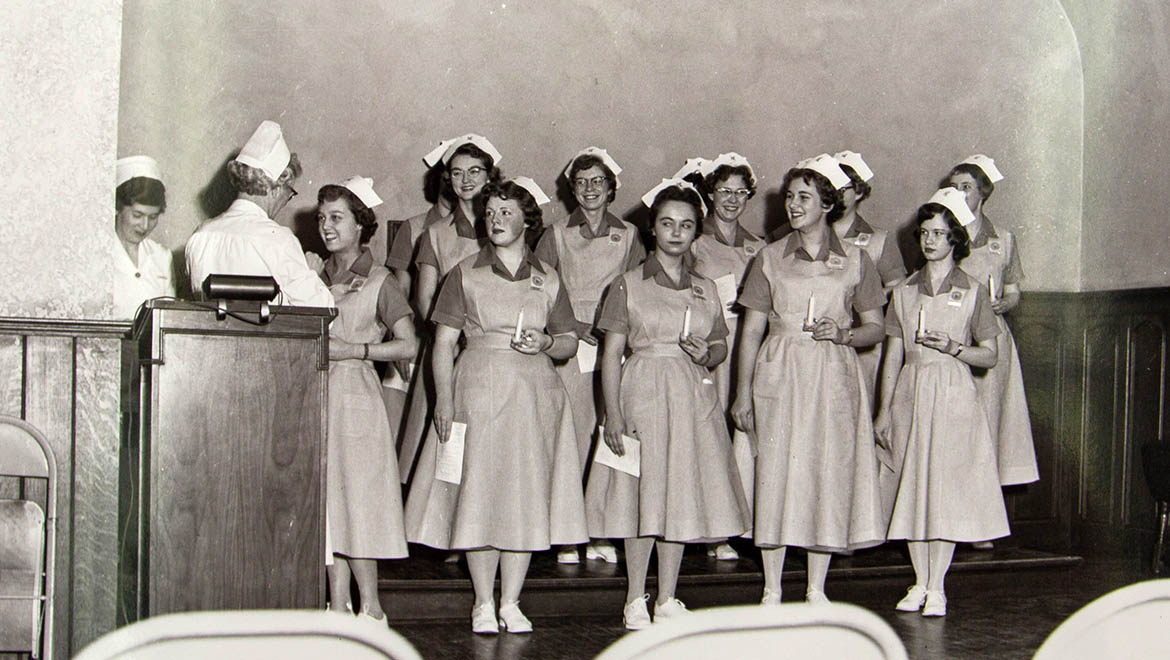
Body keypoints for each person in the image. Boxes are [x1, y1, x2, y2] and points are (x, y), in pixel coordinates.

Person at [405, 178, 587, 634]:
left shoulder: (548, 277)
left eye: (506, 213)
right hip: (477, 390)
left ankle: (511, 601)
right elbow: (444, 344)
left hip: (534, 397)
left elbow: (567, 342)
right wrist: (443, 402)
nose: (496, 220)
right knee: (480, 494)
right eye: (491, 213)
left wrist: (547, 341)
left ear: (528, 220)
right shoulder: (463, 273)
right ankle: (483, 602)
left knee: (524, 496)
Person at [586, 179, 750, 629]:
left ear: (696, 232)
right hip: (644, 391)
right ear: (652, 230)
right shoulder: (627, 284)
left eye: (686, 225)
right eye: (667, 224)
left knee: (678, 495)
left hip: (693, 395)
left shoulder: (706, 288)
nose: (676, 232)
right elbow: (611, 354)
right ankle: (635, 597)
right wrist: (613, 414)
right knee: (643, 496)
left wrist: (709, 354)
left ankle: (668, 597)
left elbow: (720, 344)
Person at [732, 154, 886, 605]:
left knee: (827, 472)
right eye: (790, 197)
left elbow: (875, 326)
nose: (794, 205)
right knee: (776, 472)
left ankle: (816, 588)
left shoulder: (856, 259)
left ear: (827, 204)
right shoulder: (769, 257)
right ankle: (772, 587)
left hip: (834, 375)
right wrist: (742, 393)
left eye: (804, 197)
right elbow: (751, 330)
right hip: (779, 372)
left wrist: (845, 333)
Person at [874, 187, 1010, 617]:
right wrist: (883, 411)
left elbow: (990, 354)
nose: (930, 241)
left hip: (953, 393)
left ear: (955, 239)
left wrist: (954, 348)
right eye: (925, 233)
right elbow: (892, 355)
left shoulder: (971, 290)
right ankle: (918, 582)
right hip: (912, 392)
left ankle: (938, 586)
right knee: (913, 487)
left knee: (944, 490)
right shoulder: (904, 291)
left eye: (939, 233)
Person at [535, 146, 646, 565]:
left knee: (609, 431)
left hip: (614, 343)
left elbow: (639, 290)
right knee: (573, 435)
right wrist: (576, 327)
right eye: (580, 183)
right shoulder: (557, 234)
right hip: (571, 343)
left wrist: (616, 331)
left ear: (611, 187)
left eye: (597, 182)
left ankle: (601, 529)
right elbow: (541, 287)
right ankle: (567, 533)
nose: (589, 190)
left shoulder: (631, 235)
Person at [317, 176, 419, 625]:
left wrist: (354, 350)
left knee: (360, 500)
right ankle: (337, 605)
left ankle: (371, 607)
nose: (326, 226)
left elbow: (408, 345)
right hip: (317, 396)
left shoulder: (380, 280)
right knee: (329, 502)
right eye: (321, 218)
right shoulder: (312, 275)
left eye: (336, 217)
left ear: (361, 225)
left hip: (357, 395)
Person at [397, 134, 502, 485]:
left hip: (493, 350)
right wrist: (450, 339)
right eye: (457, 173)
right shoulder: (436, 233)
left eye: (475, 171)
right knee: (441, 444)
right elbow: (424, 298)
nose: (466, 180)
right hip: (448, 346)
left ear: (490, 175)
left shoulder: (505, 227)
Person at [683, 152, 767, 561]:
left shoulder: (759, 247)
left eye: (741, 192)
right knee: (707, 431)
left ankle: (737, 522)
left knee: (741, 430)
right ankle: (708, 528)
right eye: (724, 191)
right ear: (710, 193)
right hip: (707, 345)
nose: (732, 200)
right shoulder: (695, 240)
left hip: (746, 346)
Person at [942, 156, 1039, 493]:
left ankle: (984, 514)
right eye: (952, 188)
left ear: (982, 192)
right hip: (951, 339)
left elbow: (1014, 292)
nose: (957, 194)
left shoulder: (1003, 239)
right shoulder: (941, 235)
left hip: (990, 343)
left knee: (989, 419)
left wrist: (1004, 303)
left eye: (965, 188)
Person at [185, 120, 333, 307]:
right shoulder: (278, 240)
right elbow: (322, 313)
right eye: (290, 193)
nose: (286, 200)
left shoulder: (200, 236)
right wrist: (311, 272)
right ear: (278, 187)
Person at [832, 150, 907, 403]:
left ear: (860, 192)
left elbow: (899, 287)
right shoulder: (807, 235)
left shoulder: (878, 240)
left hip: (864, 344)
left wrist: (863, 302)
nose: (835, 195)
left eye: (842, 189)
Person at [113, 155, 175, 318]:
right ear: (118, 207)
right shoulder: (99, 253)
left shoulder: (162, 256)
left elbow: (169, 317)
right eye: (137, 214)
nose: (145, 225)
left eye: (153, 217)